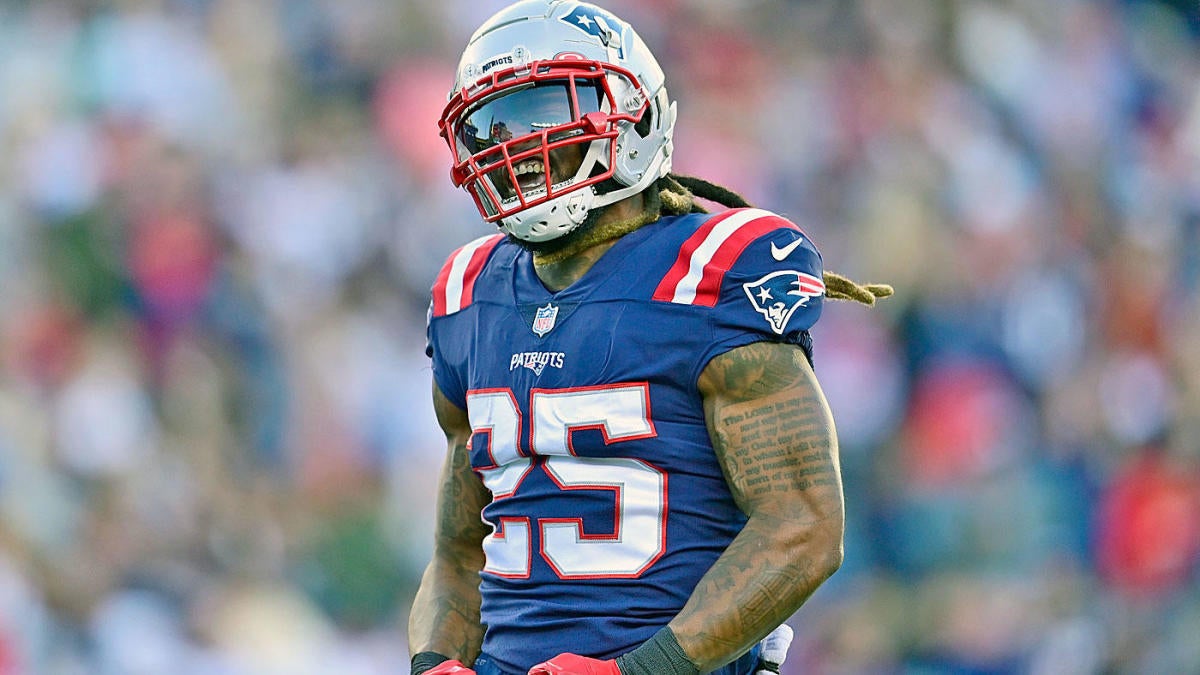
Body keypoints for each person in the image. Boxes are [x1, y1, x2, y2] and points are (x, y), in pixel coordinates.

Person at [409, 2, 891, 674]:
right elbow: (459, 551)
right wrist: (433, 663)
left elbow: (803, 525)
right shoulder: (469, 293)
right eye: (490, 126)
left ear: (631, 113)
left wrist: (635, 670)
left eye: (542, 112)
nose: (512, 147)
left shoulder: (711, 272)